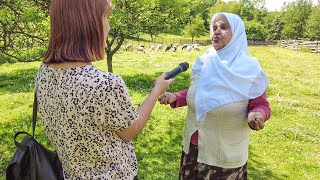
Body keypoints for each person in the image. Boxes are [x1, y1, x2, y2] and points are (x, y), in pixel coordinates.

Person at [34, 0, 174, 179]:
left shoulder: (44, 72)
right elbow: (131, 130)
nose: (108, 27)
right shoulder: (105, 84)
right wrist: (157, 89)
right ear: (87, 23)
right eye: (106, 17)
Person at [158, 12, 270, 179]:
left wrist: (258, 114)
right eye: (214, 27)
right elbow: (201, 92)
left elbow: (261, 104)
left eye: (224, 27)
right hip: (194, 148)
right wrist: (177, 97)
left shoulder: (249, 70)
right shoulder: (203, 61)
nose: (216, 31)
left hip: (224, 156)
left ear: (237, 34)